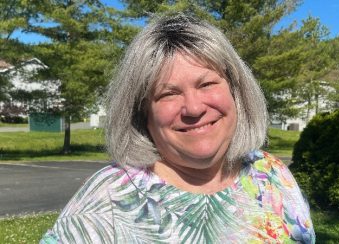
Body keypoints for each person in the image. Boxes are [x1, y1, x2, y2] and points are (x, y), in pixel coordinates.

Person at [41, 14, 315, 243]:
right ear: (142, 112)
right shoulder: (104, 206)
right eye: (168, 94)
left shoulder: (270, 175)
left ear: (236, 92)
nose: (194, 109)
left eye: (206, 84)